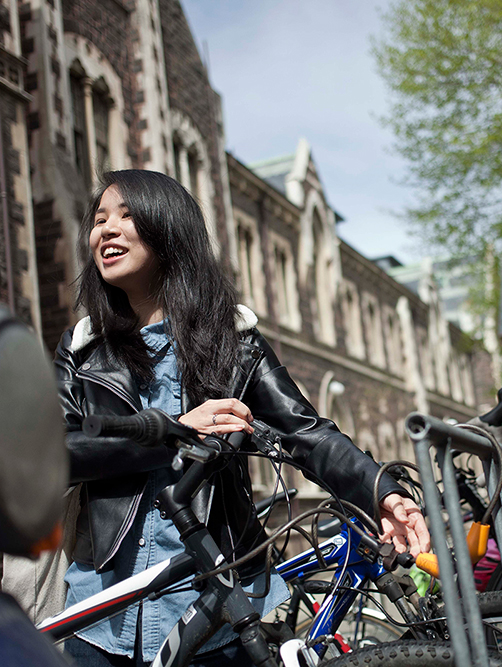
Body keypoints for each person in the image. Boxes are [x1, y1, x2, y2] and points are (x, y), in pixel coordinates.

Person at [53, 169, 430, 666]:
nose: (106, 230)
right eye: (99, 220)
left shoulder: (235, 343)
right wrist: (177, 433)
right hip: (102, 612)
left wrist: (382, 490)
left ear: (169, 230)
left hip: (214, 608)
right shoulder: (83, 350)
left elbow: (305, 434)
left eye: (126, 215)